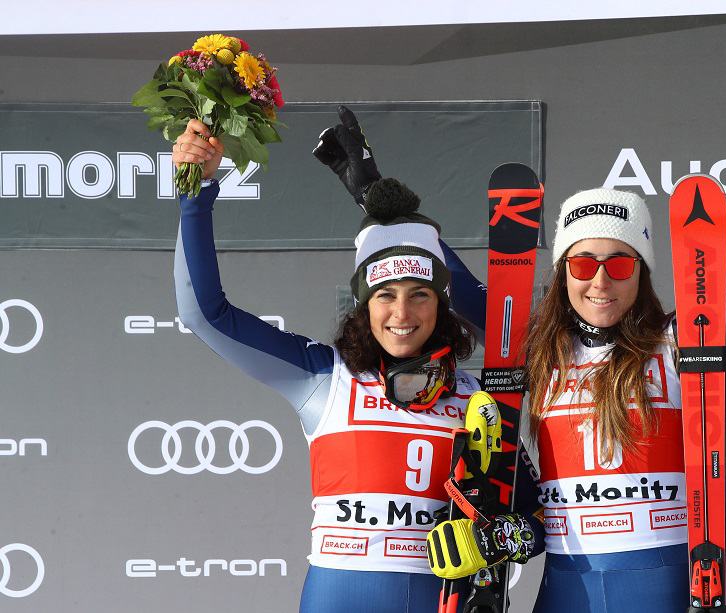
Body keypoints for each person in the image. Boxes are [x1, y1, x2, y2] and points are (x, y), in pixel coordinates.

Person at [395, 44, 726, 612]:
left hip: (662, 585)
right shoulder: (536, 353)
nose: (600, 281)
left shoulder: (683, 344)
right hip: (565, 590)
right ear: (562, 275)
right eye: (582, 264)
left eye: (619, 264)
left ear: (642, 274)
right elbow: (441, 272)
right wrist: (380, 201)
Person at [171, 113, 501, 612]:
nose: (402, 314)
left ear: (443, 305)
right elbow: (204, 313)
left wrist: (506, 536)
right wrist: (194, 189)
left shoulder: (478, 398)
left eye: (420, 296)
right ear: (363, 307)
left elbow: (508, 322)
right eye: (385, 295)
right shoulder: (324, 378)